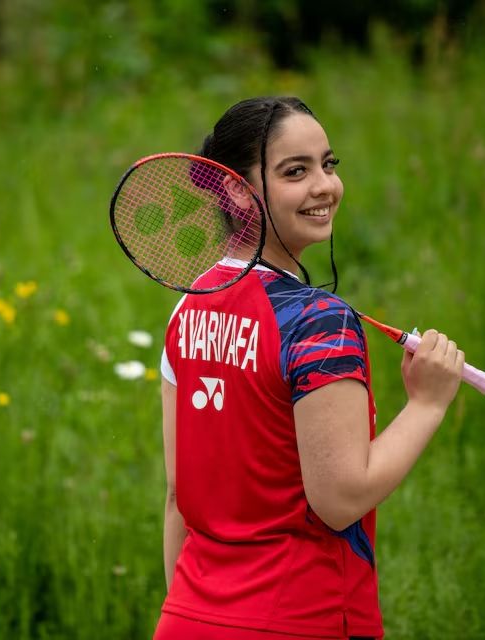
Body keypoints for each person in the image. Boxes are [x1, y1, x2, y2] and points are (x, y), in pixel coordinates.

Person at [153, 97, 465, 640]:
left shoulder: (189, 307)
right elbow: (341, 499)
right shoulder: (321, 322)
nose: (325, 186)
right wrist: (427, 403)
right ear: (235, 187)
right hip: (302, 619)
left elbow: (180, 495)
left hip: (188, 620)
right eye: (295, 171)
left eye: (328, 164)